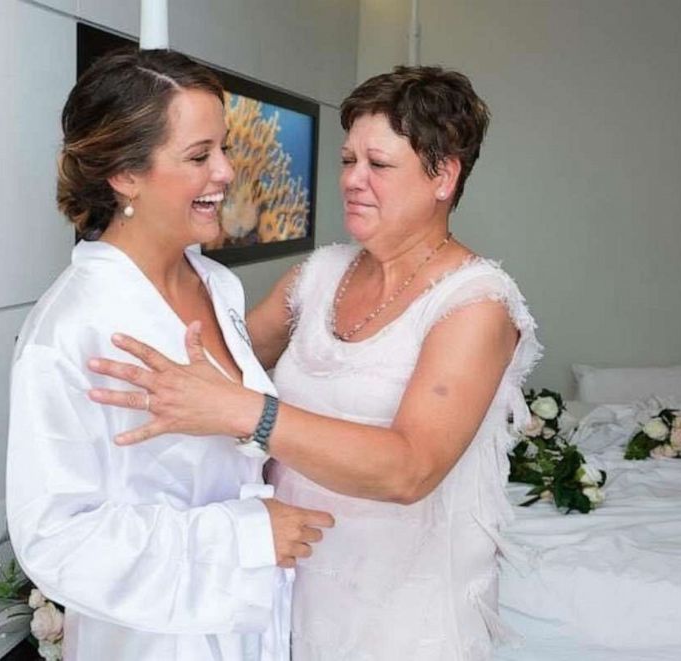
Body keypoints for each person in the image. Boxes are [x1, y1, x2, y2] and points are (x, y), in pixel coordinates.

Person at [88, 65, 542, 660]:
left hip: (404, 614)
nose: (353, 180)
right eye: (348, 160)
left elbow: (412, 469)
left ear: (443, 175)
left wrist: (252, 414)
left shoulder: (475, 304)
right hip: (288, 591)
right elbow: (218, 374)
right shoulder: (316, 277)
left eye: (378, 166)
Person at [6, 49, 334, 661]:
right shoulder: (73, 328)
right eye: (199, 155)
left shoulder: (218, 285)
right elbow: (55, 539)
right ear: (125, 174)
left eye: (225, 147)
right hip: (153, 641)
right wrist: (243, 538)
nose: (227, 172)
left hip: (250, 616)